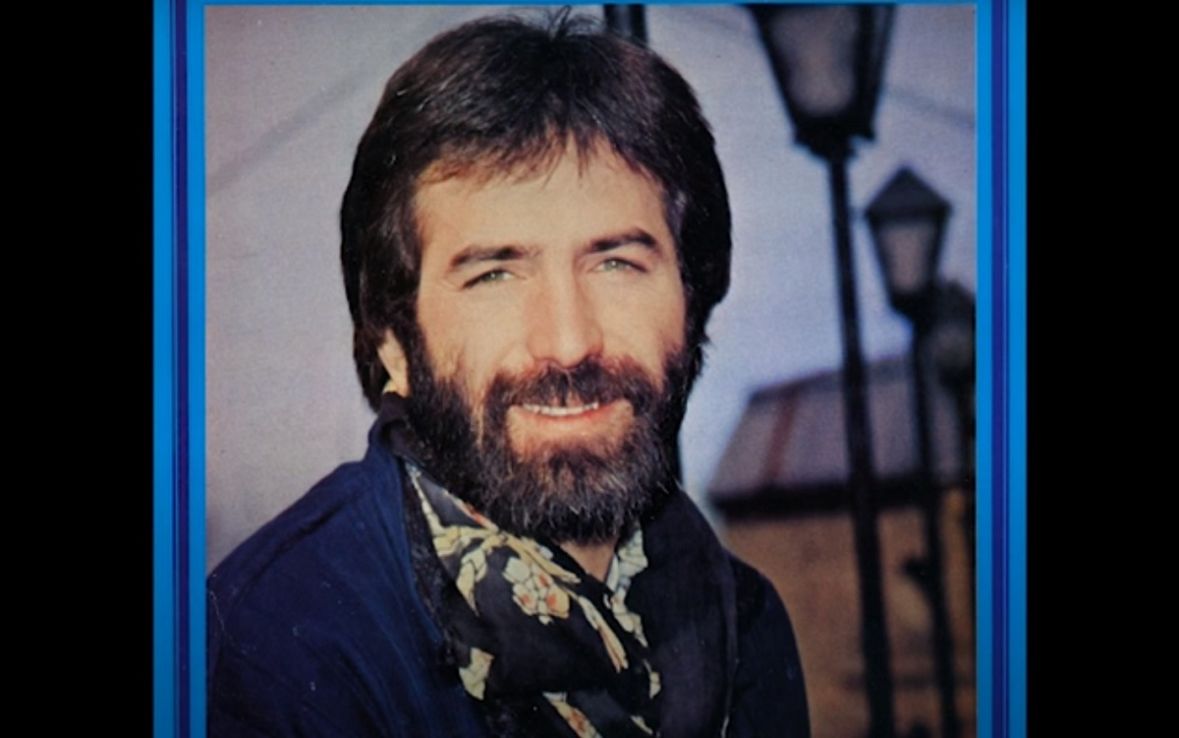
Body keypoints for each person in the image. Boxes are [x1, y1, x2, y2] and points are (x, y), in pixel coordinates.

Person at [207, 11, 809, 738]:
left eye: (616, 263)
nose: (568, 343)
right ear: (393, 342)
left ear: (691, 296)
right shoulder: (278, 648)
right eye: (494, 274)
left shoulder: (747, 624)